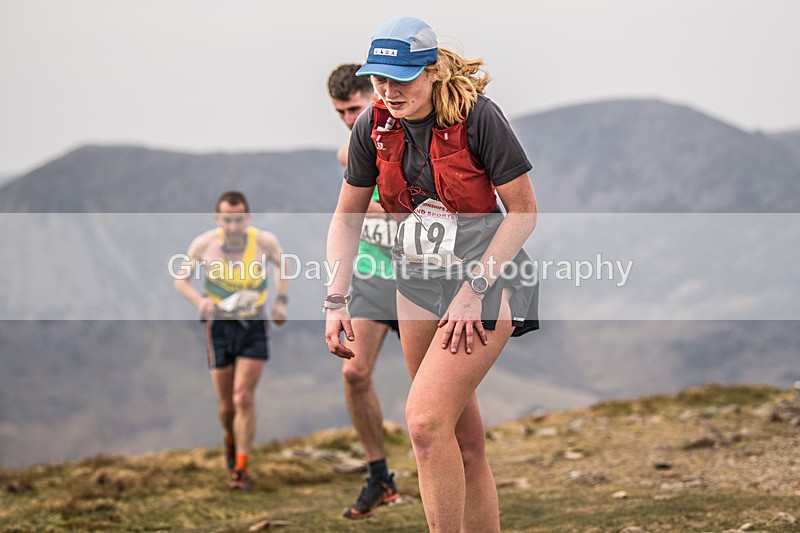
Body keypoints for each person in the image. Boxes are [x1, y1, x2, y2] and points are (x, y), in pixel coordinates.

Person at [324, 16, 539, 532]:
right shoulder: (371, 126)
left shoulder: (479, 117)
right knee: (461, 441)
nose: (389, 91)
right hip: (417, 284)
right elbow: (346, 217)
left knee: (423, 424)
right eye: (379, 79)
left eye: (401, 78)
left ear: (432, 71)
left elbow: (524, 213)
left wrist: (473, 290)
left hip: (488, 282)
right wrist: (336, 298)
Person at [175, 190, 289, 490]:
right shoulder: (204, 244)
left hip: (253, 323)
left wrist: (281, 301)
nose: (233, 226)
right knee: (227, 407)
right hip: (219, 326)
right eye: (227, 220)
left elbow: (283, 264)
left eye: (238, 220)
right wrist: (200, 301)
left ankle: (240, 468)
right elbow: (181, 279)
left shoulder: (264, 241)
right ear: (217, 218)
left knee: (243, 398)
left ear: (247, 217)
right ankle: (230, 438)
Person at [326, 63, 401, 519]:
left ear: (374, 97)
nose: (348, 120)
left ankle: (457, 469)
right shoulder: (350, 151)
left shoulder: (405, 137)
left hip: (419, 277)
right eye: (339, 113)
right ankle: (379, 476)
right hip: (374, 275)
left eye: (354, 109)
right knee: (354, 374)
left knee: (431, 390)